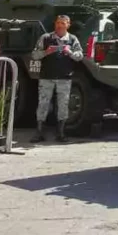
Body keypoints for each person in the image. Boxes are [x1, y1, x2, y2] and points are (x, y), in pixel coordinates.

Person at [30, 15, 84, 143]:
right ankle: (39, 131)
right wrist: (46, 52)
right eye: (58, 23)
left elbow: (80, 56)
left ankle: (61, 132)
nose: (60, 26)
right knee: (43, 103)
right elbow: (34, 55)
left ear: (68, 25)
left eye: (63, 23)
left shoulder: (72, 39)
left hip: (64, 77)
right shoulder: (46, 38)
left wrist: (69, 52)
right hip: (46, 77)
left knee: (63, 105)